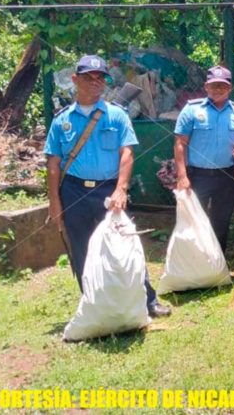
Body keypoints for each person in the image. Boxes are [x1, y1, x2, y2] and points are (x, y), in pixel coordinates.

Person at [45, 55, 170, 318]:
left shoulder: (116, 116)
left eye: (100, 78)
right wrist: (54, 201)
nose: (95, 83)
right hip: (74, 191)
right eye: (89, 78)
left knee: (125, 244)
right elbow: (54, 163)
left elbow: (127, 154)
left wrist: (121, 189)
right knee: (81, 249)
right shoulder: (61, 121)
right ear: (75, 80)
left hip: (108, 191)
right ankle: (92, 303)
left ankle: (148, 300)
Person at [173, 65, 234, 252]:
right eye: (214, 85)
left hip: (227, 176)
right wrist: (182, 176)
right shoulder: (191, 110)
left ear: (230, 88)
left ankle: (218, 265)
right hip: (197, 176)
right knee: (193, 220)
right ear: (206, 87)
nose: (218, 89)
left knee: (221, 221)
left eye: (222, 86)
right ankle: (195, 264)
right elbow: (179, 143)